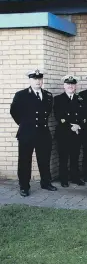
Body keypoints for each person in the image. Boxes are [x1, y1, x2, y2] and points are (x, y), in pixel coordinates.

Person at [10, 69, 57, 197]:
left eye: (40, 79)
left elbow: (47, 112)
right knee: (25, 161)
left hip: (43, 133)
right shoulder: (21, 95)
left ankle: (46, 182)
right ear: (30, 80)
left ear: (42, 80)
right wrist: (25, 124)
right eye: (35, 79)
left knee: (44, 160)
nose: (38, 81)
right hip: (26, 134)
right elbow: (14, 112)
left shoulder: (48, 95)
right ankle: (24, 186)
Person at [53, 75, 85, 187]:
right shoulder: (58, 99)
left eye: (72, 84)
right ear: (64, 86)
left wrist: (78, 125)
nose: (70, 86)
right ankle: (64, 179)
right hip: (64, 133)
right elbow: (58, 116)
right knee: (63, 158)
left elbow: (84, 115)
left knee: (75, 157)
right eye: (68, 84)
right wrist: (70, 126)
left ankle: (75, 177)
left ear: (75, 86)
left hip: (77, 133)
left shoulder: (80, 99)